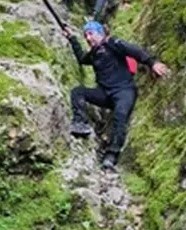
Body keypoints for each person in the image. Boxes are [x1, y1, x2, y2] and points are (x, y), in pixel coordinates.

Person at [66, 18, 169, 171]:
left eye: (90, 34)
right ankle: (80, 123)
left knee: (120, 115)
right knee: (77, 91)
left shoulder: (113, 43)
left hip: (124, 91)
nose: (88, 38)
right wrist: (72, 38)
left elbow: (134, 50)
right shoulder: (94, 54)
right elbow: (82, 59)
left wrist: (152, 63)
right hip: (105, 94)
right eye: (85, 36)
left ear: (100, 33)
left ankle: (111, 155)